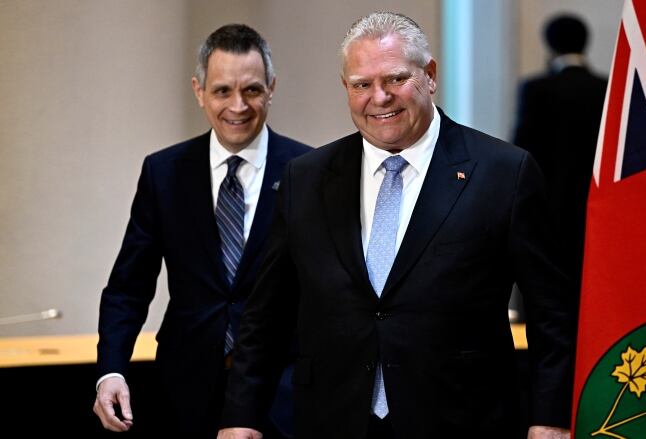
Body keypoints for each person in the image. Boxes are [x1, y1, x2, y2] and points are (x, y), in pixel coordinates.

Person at [218, 12, 576, 439]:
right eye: (361, 85)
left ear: (430, 75)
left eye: (394, 79)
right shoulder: (306, 178)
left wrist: (550, 418)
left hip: (462, 420)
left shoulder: (503, 172)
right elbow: (266, 315)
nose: (380, 97)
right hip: (332, 420)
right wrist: (240, 416)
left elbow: (551, 313)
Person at [93, 24, 310, 437]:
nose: (238, 105)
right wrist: (112, 371)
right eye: (222, 90)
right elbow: (128, 287)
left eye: (251, 90)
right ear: (199, 91)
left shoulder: (308, 171)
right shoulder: (164, 173)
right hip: (184, 395)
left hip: (281, 397)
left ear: (272, 88)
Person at [511, 14, 608, 291]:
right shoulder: (605, 88)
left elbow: (521, 149)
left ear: (549, 43)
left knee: (546, 288)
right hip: (594, 208)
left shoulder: (536, 89)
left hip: (545, 207)